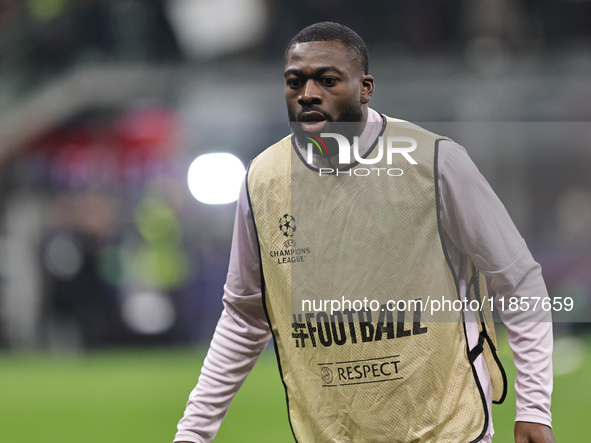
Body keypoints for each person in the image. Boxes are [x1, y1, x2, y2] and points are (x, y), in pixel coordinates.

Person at [175, 22, 555, 443]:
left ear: (366, 87)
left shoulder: (435, 162)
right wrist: (192, 433)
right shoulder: (262, 180)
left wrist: (535, 406)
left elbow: (518, 279)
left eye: (328, 80)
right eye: (294, 81)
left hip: (446, 431)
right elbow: (246, 316)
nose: (308, 94)